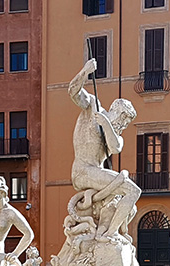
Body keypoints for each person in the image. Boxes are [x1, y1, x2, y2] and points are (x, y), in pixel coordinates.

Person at [68, 58, 139, 242]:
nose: (123, 124)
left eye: (127, 122)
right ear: (115, 109)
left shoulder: (113, 135)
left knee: (132, 204)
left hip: (95, 173)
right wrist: (85, 72)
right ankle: (110, 234)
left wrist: (107, 124)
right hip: (83, 171)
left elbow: (115, 147)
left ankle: (112, 230)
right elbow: (73, 92)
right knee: (133, 191)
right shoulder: (93, 106)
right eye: (123, 118)